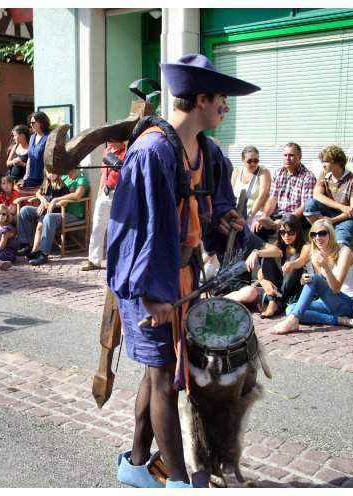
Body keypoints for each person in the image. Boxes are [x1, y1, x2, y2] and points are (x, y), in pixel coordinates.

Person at [107, 53, 260, 488]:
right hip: (149, 283)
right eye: (221, 100)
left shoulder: (207, 152)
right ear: (200, 100)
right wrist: (153, 294)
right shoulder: (152, 151)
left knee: (157, 371)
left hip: (182, 279)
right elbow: (139, 232)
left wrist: (224, 221)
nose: (226, 108)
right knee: (163, 379)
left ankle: (137, 464)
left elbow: (212, 206)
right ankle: (178, 481)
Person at [271, 218, 353, 334]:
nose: (318, 237)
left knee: (297, 311)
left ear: (331, 234)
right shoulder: (315, 254)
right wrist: (305, 281)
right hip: (327, 303)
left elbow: (336, 288)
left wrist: (325, 267)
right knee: (291, 309)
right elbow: (321, 285)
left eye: (322, 233)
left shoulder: (344, 251)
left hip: (348, 304)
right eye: (314, 234)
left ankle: (293, 321)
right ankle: (340, 320)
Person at [226, 214, 310, 318]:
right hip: (277, 289)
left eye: (291, 232)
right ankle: (273, 301)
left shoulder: (306, 246)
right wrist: (264, 282)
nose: (286, 236)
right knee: (266, 257)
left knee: (293, 260)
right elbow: (262, 270)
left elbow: (301, 261)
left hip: (293, 289)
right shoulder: (279, 245)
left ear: (298, 232)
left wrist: (292, 264)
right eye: (283, 232)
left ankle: (275, 301)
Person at [254, 142, 316, 240]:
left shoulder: (308, 177)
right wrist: (264, 218)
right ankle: (264, 254)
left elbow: (305, 206)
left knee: (285, 232)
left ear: (299, 157)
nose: (287, 158)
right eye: (285, 155)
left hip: (297, 217)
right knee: (257, 229)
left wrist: (284, 221)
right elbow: (273, 198)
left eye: (291, 155)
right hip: (279, 215)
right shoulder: (279, 173)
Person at [304, 145, 353, 246]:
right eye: (322, 161)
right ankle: (321, 232)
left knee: (341, 241)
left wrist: (332, 220)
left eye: (326, 161)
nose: (323, 165)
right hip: (329, 213)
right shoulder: (324, 175)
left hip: (346, 219)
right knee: (309, 204)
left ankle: (338, 255)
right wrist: (341, 207)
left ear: (338, 162)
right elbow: (317, 195)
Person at [82, 140, 126, 271]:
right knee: (97, 226)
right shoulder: (106, 151)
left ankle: (119, 261)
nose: (109, 142)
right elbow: (103, 173)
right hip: (105, 193)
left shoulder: (126, 152)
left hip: (118, 193)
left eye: (111, 139)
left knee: (119, 228)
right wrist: (101, 190)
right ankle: (94, 260)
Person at [16, 169, 69, 260]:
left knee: (39, 226)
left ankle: (36, 251)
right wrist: (42, 199)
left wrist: (50, 204)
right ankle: (25, 244)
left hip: (53, 213)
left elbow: (65, 202)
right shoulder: (45, 184)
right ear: (46, 173)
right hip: (43, 210)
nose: (52, 174)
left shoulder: (62, 187)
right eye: (49, 172)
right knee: (24, 210)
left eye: (54, 172)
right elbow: (38, 193)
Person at [230, 145, 270, 230]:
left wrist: (249, 217)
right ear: (243, 160)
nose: (253, 164)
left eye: (256, 161)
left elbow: (262, 196)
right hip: (237, 213)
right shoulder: (236, 172)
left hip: (255, 214)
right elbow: (230, 194)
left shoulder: (263, 172)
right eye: (249, 161)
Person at [23, 111, 50, 188]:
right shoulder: (32, 137)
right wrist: (26, 175)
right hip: (31, 177)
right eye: (30, 123)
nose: (31, 125)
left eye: (34, 122)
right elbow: (29, 158)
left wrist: (47, 177)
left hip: (43, 178)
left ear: (42, 122)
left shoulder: (48, 137)